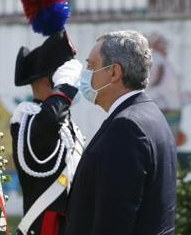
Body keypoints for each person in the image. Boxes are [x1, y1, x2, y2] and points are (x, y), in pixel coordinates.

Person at [65, 31, 177, 235]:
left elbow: (114, 220)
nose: (86, 74)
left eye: (91, 66)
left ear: (114, 72)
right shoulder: (151, 115)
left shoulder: (126, 127)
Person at [11, 0, 84, 235]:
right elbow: (47, 123)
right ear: (49, 81)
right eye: (65, 75)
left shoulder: (63, 124)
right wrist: (65, 87)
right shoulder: (29, 120)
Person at [147, 33, 182, 140]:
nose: (166, 48)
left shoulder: (161, 62)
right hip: (165, 110)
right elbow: (152, 85)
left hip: (167, 110)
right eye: (163, 44)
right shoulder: (157, 61)